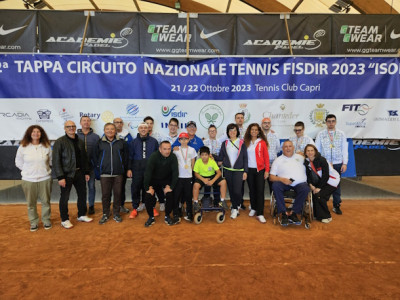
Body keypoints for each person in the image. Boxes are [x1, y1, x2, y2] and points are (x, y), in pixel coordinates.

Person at [52, 120, 92, 229]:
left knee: (82, 194)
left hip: (79, 173)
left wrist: (86, 172)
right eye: (68, 126)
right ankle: (64, 219)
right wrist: (60, 177)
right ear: (65, 129)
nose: (71, 128)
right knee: (64, 197)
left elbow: (83, 158)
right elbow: (56, 160)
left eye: (73, 126)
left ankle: (82, 214)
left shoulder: (79, 141)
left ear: (75, 127)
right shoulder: (59, 142)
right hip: (66, 175)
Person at [15, 125, 52, 232]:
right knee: (31, 203)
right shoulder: (23, 147)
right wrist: (27, 171)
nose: (36, 134)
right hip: (28, 180)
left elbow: (50, 161)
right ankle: (34, 222)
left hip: (44, 179)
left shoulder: (46, 146)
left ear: (41, 134)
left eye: (38, 132)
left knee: (46, 202)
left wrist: (44, 170)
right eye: (33, 132)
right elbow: (18, 162)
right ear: (29, 134)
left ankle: (46, 220)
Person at [93, 123, 129, 224]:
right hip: (105, 174)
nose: (110, 131)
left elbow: (126, 157)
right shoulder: (99, 143)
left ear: (115, 131)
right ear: (104, 131)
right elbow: (95, 157)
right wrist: (99, 169)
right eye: (107, 129)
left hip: (118, 174)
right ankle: (106, 213)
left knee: (118, 194)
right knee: (105, 195)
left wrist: (123, 169)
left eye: (112, 129)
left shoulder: (121, 142)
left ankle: (116, 213)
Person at [269, 140, 310, 226]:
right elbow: (271, 177)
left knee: (306, 188)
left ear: (293, 147)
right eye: (286, 146)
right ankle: (283, 213)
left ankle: (294, 212)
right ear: (282, 149)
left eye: (290, 146)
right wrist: (281, 179)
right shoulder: (277, 160)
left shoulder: (301, 158)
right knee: (275, 186)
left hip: (300, 184)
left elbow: (313, 162)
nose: (288, 148)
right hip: (283, 183)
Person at [315, 114, 348, 215]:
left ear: (336, 122)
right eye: (329, 121)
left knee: (336, 185)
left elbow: (344, 149)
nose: (331, 123)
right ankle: (322, 203)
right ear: (326, 122)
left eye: (333, 121)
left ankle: (336, 205)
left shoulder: (341, 134)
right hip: (325, 164)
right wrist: (322, 162)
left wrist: (345, 163)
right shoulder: (321, 134)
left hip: (338, 163)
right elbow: (317, 149)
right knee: (323, 184)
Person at [143, 141, 179, 227]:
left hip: (166, 180)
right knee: (148, 196)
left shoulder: (173, 157)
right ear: (160, 149)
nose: (167, 151)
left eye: (169, 149)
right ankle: (151, 217)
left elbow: (175, 173)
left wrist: (171, 187)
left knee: (170, 194)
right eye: (165, 149)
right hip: (154, 179)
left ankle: (167, 216)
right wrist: (148, 188)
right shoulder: (154, 156)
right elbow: (148, 173)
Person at [127, 122, 159, 219]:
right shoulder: (133, 142)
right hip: (137, 169)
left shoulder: (154, 141)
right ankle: (135, 208)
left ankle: (152, 207)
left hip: (150, 169)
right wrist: (129, 169)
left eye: (145, 128)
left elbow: (157, 156)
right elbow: (130, 157)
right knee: (136, 188)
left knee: (150, 188)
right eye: (141, 128)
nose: (143, 129)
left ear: (148, 129)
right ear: (138, 129)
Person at [217, 123, 248, 219]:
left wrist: (245, 171)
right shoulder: (225, 143)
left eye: (234, 130)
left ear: (237, 132)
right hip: (227, 170)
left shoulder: (242, 143)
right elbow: (221, 157)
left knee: (237, 191)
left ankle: (236, 205)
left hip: (239, 170)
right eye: (230, 130)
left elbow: (245, 158)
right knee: (231, 190)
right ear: (228, 132)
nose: (232, 132)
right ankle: (235, 208)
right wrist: (212, 157)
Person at [304, 144, 340, 223]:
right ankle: (317, 214)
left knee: (319, 195)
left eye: (312, 150)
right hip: (321, 181)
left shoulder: (322, 160)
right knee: (315, 194)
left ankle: (327, 216)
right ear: (305, 152)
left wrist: (319, 187)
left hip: (332, 181)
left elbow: (325, 175)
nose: (310, 152)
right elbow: (308, 176)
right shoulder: (307, 162)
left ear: (315, 151)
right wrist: (311, 185)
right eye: (308, 151)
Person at [244, 123, 270, 223]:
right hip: (249, 170)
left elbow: (266, 157)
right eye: (252, 129)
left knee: (260, 191)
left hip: (260, 170)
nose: (254, 131)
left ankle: (260, 213)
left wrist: (267, 170)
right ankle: (253, 208)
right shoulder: (246, 142)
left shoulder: (262, 142)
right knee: (252, 190)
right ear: (249, 131)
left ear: (259, 131)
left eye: (256, 130)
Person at [193, 146, 228, 212]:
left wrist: (212, 181)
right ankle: (195, 203)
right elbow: (196, 174)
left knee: (223, 182)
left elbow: (219, 173)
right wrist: (204, 180)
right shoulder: (198, 161)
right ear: (200, 155)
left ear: (209, 155)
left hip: (212, 176)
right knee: (196, 185)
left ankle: (222, 201)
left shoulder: (212, 161)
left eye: (206, 155)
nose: (204, 156)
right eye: (202, 155)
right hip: (201, 177)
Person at [77, 116, 100, 215]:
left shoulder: (96, 137)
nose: (86, 122)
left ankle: (91, 206)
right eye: (84, 121)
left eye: (88, 121)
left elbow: (99, 152)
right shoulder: (75, 136)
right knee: (81, 188)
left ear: (90, 122)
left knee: (91, 187)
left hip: (91, 167)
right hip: (79, 168)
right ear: (80, 123)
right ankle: (82, 207)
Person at [173, 132, 197, 222]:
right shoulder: (176, 150)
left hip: (188, 176)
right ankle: (176, 214)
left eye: (185, 139)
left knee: (188, 196)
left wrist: (193, 174)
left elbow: (193, 163)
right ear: (179, 140)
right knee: (176, 196)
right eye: (181, 139)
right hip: (179, 177)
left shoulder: (192, 150)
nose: (184, 141)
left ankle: (189, 214)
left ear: (188, 140)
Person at [113, 117, 133, 213]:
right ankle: (110, 208)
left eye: (120, 122)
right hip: (111, 166)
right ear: (113, 124)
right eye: (116, 122)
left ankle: (121, 205)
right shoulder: (108, 134)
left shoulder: (128, 135)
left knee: (121, 187)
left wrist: (128, 167)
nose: (119, 124)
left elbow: (130, 151)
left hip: (122, 166)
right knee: (108, 189)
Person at [202, 124, 222, 206]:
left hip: (217, 167)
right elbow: (201, 155)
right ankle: (207, 200)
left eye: (214, 131)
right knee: (207, 184)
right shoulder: (204, 142)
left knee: (216, 185)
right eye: (210, 131)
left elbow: (222, 155)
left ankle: (217, 201)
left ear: (216, 132)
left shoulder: (220, 142)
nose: (212, 132)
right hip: (206, 167)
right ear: (208, 132)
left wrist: (220, 160)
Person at [261, 117, 281, 194]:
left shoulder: (275, 135)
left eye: (268, 123)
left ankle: (274, 203)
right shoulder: (259, 135)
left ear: (270, 125)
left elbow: (278, 149)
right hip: (261, 165)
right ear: (261, 124)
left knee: (273, 185)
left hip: (272, 164)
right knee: (260, 185)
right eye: (265, 123)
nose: (267, 124)